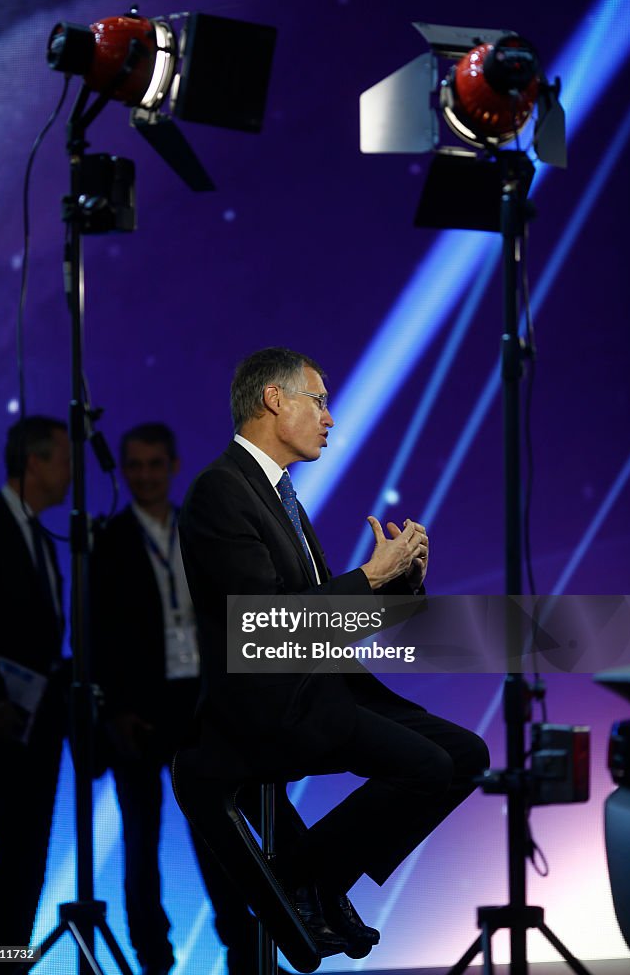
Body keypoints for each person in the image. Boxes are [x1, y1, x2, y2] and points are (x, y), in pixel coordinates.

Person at [178, 347, 490, 957]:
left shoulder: (277, 494)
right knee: (425, 767)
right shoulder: (221, 490)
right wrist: (370, 579)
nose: (329, 418)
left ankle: (310, 881)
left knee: (466, 753)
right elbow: (267, 628)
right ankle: (308, 882)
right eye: (319, 400)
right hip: (271, 702)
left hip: (323, 686)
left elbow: (326, 621)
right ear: (274, 399)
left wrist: (400, 581)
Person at [91, 423, 273, 975]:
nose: (143, 476)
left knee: (221, 837)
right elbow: (97, 632)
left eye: (154, 464)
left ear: (173, 466)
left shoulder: (199, 526)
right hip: (140, 713)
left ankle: (244, 949)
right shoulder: (108, 539)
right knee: (142, 844)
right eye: (134, 466)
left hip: (202, 704)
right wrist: (116, 710)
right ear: (124, 470)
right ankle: (152, 959)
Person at [0, 415, 71, 965]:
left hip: (35, 737)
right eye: (64, 460)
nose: (72, 473)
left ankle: (4, 965)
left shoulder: (45, 542)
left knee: (22, 865)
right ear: (35, 461)